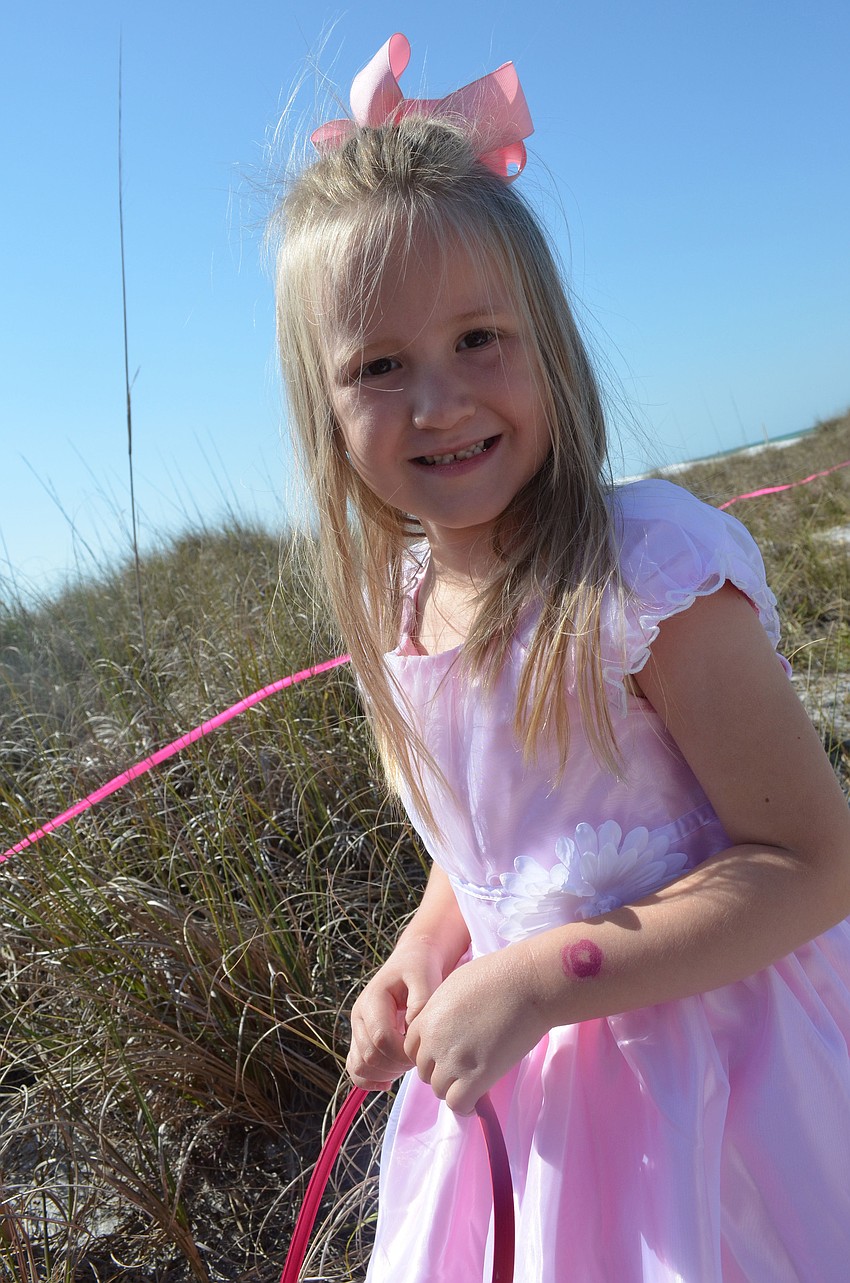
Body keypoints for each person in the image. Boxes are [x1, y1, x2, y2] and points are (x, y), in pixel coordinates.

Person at [270, 33, 850, 1283]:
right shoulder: (413, 596)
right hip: (518, 1095)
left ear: (550, 339)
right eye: (378, 366)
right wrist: (422, 959)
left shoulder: (645, 571)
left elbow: (809, 858)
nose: (437, 401)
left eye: (480, 337)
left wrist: (544, 974)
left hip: (709, 1086)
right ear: (325, 411)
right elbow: (488, 844)